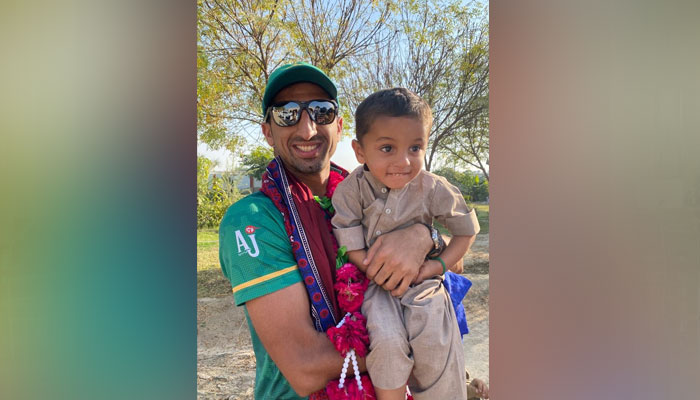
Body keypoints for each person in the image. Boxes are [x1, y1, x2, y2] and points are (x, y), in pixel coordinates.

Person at [218, 63, 442, 399]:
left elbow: (450, 263)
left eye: (321, 112)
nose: (307, 130)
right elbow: (306, 366)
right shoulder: (252, 220)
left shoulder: (370, 197)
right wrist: (424, 339)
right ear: (267, 131)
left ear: (338, 126)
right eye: (287, 114)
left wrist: (426, 236)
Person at [331, 87, 489, 400]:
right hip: (378, 289)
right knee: (386, 342)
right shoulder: (350, 191)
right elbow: (350, 243)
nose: (403, 161)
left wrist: (435, 265)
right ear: (360, 151)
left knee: (436, 341)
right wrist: (379, 272)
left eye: (415, 147)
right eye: (387, 148)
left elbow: (466, 231)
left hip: (425, 285)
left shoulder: (433, 187)